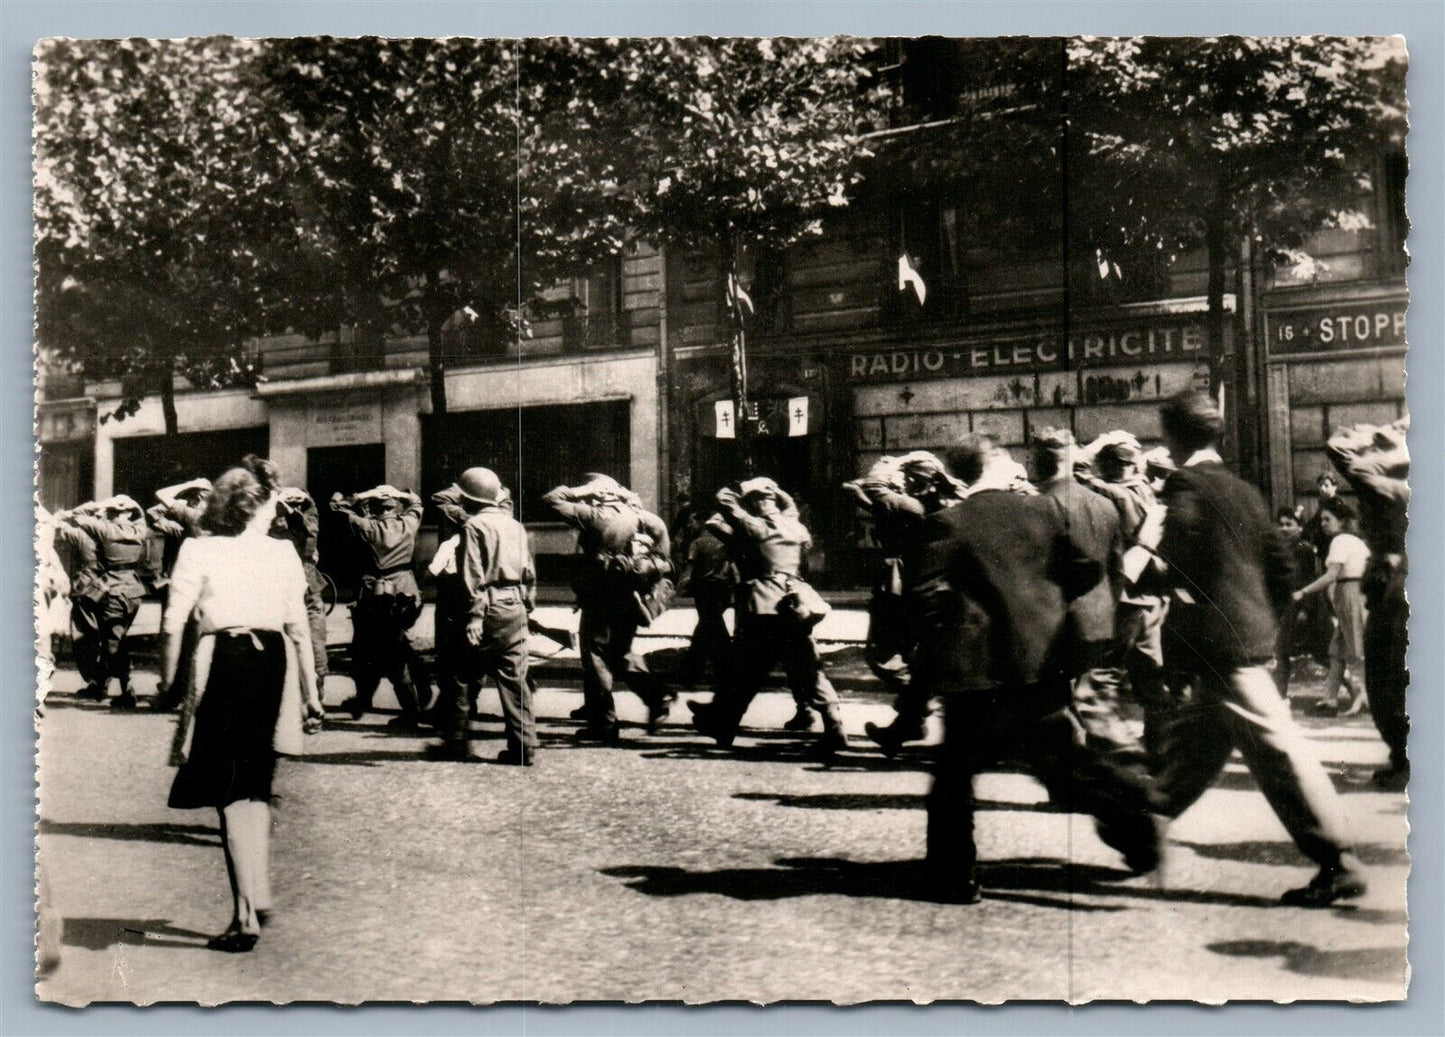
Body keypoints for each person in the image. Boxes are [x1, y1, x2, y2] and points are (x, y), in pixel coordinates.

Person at [915, 435, 1160, 903]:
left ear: (958, 475)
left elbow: (926, 599)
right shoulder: (1042, 511)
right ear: (997, 464)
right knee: (1065, 764)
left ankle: (954, 878)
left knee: (953, 779)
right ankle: (1135, 822)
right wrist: (1042, 607)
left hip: (978, 674)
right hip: (1041, 663)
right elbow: (1084, 570)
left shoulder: (946, 522)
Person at [1147, 390, 1366, 907]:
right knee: (1197, 746)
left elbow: (1176, 553)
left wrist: (1165, 578)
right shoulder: (1246, 490)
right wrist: (1258, 618)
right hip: (1247, 635)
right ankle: (1142, 829)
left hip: (1218, 644)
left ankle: (1339, 861)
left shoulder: (1184, 483)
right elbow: (1282, 566)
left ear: (1174, 438)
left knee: (1278, 751)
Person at [161, 460, 324, 952]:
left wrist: (168, 684)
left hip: (224, 661)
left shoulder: (197, 548)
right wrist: (311, 695)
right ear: (255, 506)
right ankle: (259, 891)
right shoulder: (283, 553)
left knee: (229, 791)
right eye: (273, 501)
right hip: (272, 663)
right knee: (255, 787)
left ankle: (244, 915)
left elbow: (173, 622)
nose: (277, 509)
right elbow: (298, 627)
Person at [688, 478, 851, 758]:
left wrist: (743, 488)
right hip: (795, 604)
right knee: (809, 666)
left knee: (747, 670)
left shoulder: (755, 527)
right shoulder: (795, 525)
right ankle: (835, 726)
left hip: (764, 605)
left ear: (753, 503)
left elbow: (723, 499)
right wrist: (775, 489)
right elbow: (789, 507)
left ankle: (724, 726)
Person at [845, 451, 963, 755]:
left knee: (883, 654)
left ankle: (924, 704)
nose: (904, 480)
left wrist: (888, 465)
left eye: (909, 476)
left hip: (903, 589)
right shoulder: (941, 504)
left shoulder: (912, 506)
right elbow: (873, 502)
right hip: (931, 589)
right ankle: (909, 721)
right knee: (921, 659)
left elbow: (873, 490)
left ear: (917, 479)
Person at [543, 474, 674, 742]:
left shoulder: (593, 515)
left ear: (598, 494)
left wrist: (580, 490)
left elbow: (551, 499)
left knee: (595, 656)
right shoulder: (649, 519)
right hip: (635, 599)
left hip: (601, 596)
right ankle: (656, 696)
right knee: (621, 653)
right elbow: (666, 562)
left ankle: (603, 724)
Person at [429, 467, 537, 763]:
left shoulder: (473, 527)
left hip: (487, 608)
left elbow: (472, 575)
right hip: (514, 608)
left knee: (462, 675)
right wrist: (527, 603)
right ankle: (523, 747)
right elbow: (528, 570)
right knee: (515, 680)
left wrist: (475, 617)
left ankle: (456, 743)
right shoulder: (515, 526)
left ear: (469, 499)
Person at [1327, 417, 1410, 790]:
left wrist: (1383, 431)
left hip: (1394, 586)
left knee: (1384, 677)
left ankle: (1405, 759)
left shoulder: (1382, 482)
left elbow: (1339, 448)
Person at [1078, 430, 1173, 759]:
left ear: (1110, 465)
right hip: (1151, 600)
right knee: (1150, 679)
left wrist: (1092, 449)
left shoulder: (1116, 494)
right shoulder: (1147, 493)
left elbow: (1077, 472)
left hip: (1123, 600)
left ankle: (1097, 757)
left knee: (1100, 677)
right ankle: (1159, 754)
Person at [331, 485, 429, 728]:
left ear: (373, 508)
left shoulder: (368, 527)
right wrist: (397, 493)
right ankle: (368, 700)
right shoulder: (408, 523)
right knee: (395, 645)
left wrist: (363, 494)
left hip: (378, 596)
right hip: (406, 591)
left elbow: (338, 508)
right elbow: (417, 503)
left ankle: (409, 711)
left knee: (375, 652)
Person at [55, 495, 148, 708]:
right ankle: (105, 685)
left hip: (114, 590)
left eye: (112, 512)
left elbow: (79, 517)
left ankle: (127, 689)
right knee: (117, 638)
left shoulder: (106, 530)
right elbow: (142, 515)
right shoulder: (138, 531)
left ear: (114, 514)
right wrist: (131, 504)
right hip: (133, 590)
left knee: (113, 642)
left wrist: (91, 507)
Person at [1292, 498, 1370, 716]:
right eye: (1322, 519)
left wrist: (1304, 591)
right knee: (1336, 651)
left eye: (1328, 519)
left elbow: (1332, 575)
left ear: (1342, 521)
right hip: (1352, 593)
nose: (1323, 523)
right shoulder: (1354, 541)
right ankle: (1331, 700)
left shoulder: (1341, 541)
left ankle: (1365, 697)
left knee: (1355, 650)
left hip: (1351, 594)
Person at [147, 478, 213, 711]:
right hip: (209, 583)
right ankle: (188, 692)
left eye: (195, 495)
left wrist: (188, 484)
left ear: (200, 496)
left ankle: (170, 691)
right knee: (195, 638)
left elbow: (161, 494)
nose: (192, 498)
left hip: (184, 582)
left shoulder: (192, 516)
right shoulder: (218, 518)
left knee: (173, 634)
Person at [273, 486, 330, 705]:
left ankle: (290, 690)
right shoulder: (310, 521)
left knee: (284, 633)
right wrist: (305, 498)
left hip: (283, 582)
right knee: (315, 633)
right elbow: (312, 507)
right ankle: (318, 681)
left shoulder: (275, 526)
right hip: (308, 580)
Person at [676, 507, 736, 689]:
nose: (688, 525)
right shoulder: (724, 542)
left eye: (691, 521)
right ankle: (691, 673)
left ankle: (724, 675)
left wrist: (678, 587)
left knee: (715, 632)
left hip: (706, 590)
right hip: (724, 591)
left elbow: (689, 572)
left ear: (703, 523)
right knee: (706, 630)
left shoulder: (697, 543)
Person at [1273, 507, 1324, 696]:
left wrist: (1306, 610)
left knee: (1323, 653)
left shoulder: (1304, 550)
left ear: (1300, 528)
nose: (1284, 528)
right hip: (1288, 608)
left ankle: (1355, 689)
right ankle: (1279, 696)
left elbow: (1310, 580)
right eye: (1281, 525)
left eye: (1289, 524)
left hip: (1304, 608)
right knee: (1282, 652)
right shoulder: (1283, 551)